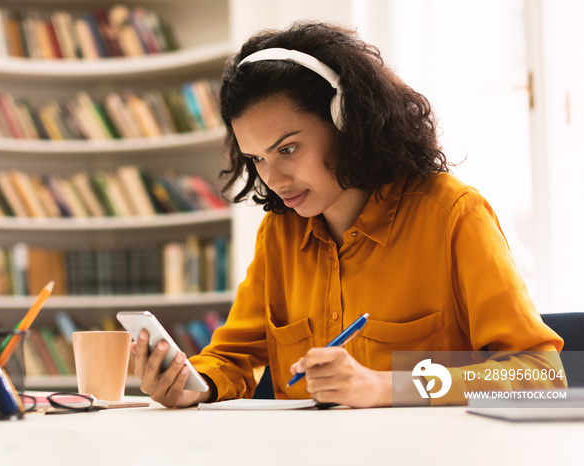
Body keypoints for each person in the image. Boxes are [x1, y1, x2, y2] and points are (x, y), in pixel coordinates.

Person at [130, 21, 565, 408]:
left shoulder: (452, 214)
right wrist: (196, 383)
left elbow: (539, 374)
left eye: (288, 149)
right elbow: (230, 356)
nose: (275, 178)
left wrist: (387, 387)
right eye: (258, 158)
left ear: (348, 122)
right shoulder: (280, 233)